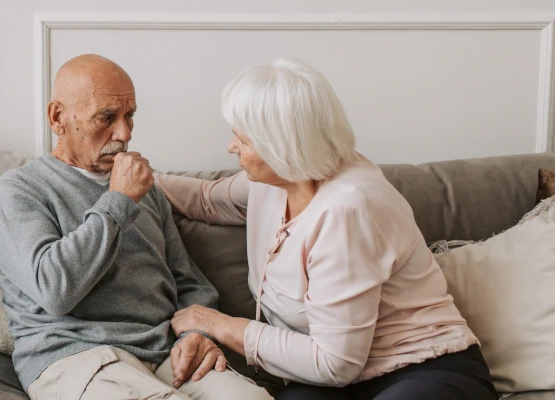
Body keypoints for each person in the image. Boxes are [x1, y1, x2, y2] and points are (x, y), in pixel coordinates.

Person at [154, 56, 498, 400]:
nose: (232, 147)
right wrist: (126, 180)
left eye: (242, 140)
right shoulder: (275, 181)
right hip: (329, 380)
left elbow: (336, 363)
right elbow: (206, 200)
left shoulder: (347, 210)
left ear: (280, 146)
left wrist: (221, 325)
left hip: (422, 367)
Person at [0, 54, 272, 400]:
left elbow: (189, 281)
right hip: (77, 356)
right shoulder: (19, 190)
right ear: (57, 117)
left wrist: (197, 334)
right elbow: (55, 290)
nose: (123, 133)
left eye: (129, 116)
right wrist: (119, 199)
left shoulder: (144, 188)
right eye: (106, 117)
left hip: (164, 352)